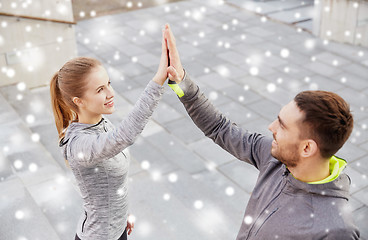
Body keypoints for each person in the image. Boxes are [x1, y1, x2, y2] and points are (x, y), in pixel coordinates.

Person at [163, 24, 360, 239]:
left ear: (306, 147)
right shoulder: (275, 157)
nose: (271, 128)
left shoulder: (336, 229)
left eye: (282, 125)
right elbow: (220, 128)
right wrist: (180, 80)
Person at [49, 29, 169, 240]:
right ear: (79, 101)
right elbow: (125, 136)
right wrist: (159, 79)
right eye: (100, 90)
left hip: (116, 231)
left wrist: (122, 216)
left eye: (109, 84)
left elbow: (102, 187)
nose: (111, 93)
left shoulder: (101, 122)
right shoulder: (80, 145)